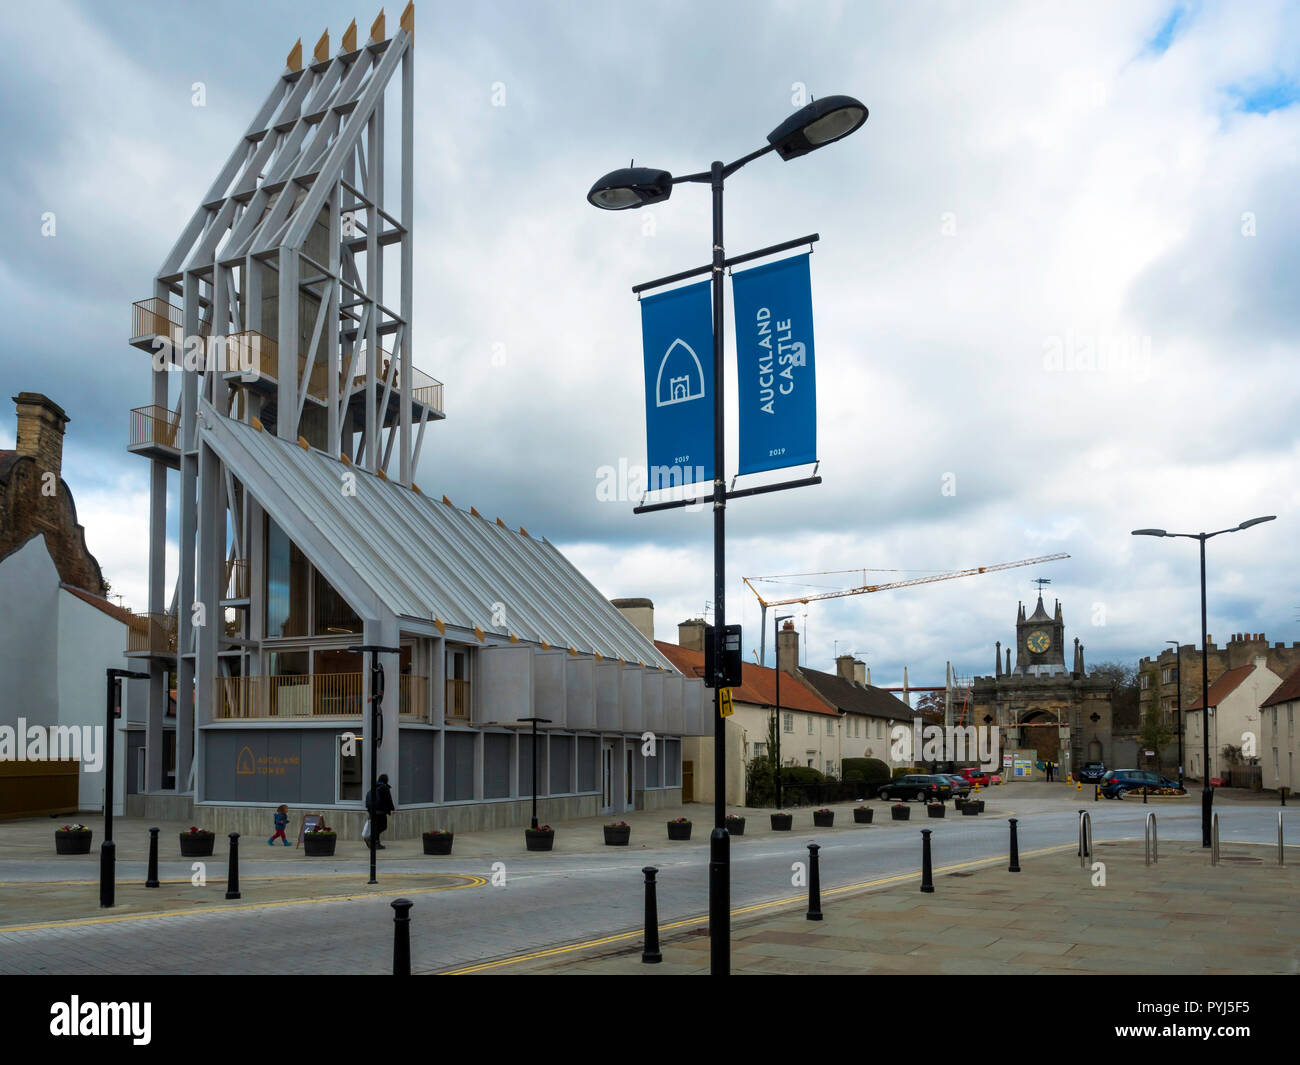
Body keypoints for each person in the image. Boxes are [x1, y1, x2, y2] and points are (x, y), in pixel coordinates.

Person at [366, 773, 396, 849]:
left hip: (372, 811)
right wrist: (392, 808)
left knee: (377, 827)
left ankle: (376, 843)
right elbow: (388, 799)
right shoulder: (384, 787)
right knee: (383, 826)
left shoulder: (374, 786)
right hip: (380, 811)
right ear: (386, 780)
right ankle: (371, 838)